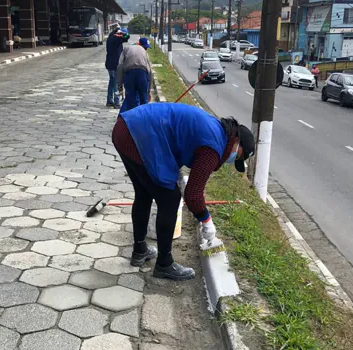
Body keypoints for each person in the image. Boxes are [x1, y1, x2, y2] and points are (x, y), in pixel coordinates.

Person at [112, 103, 255, 281]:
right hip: (138, 134)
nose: (232, 160)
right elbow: (193, 195)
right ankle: (164, 264)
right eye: (238, 156)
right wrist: (207, 221)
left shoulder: (215, 129)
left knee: (144, 193)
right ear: (236, 141)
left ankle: (139, 250)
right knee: (170, 199)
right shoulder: (213, 147)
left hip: (125, 127)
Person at [117, 38, 153, 113]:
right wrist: (149, 91)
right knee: (144, 100)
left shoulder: (126, 49)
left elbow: (120, 66)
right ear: (141, 45)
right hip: (142, 74)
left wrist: (119, 84)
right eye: (145, 47)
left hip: (129, 74)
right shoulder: (144, 52)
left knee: (130, 100)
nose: (145, 49)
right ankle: (144, 119)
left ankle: (130, 120)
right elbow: (150, 72)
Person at [105, 25, 130, 108]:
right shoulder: (116, 38)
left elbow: (126, 38)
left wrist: (122, 34)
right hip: (115, 65)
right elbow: (126, 37)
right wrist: (122, 34)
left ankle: (109, 100)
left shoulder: (110, 38)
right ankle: (117, 102)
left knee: (111, 83)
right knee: (116, 83)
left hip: (109, 64)